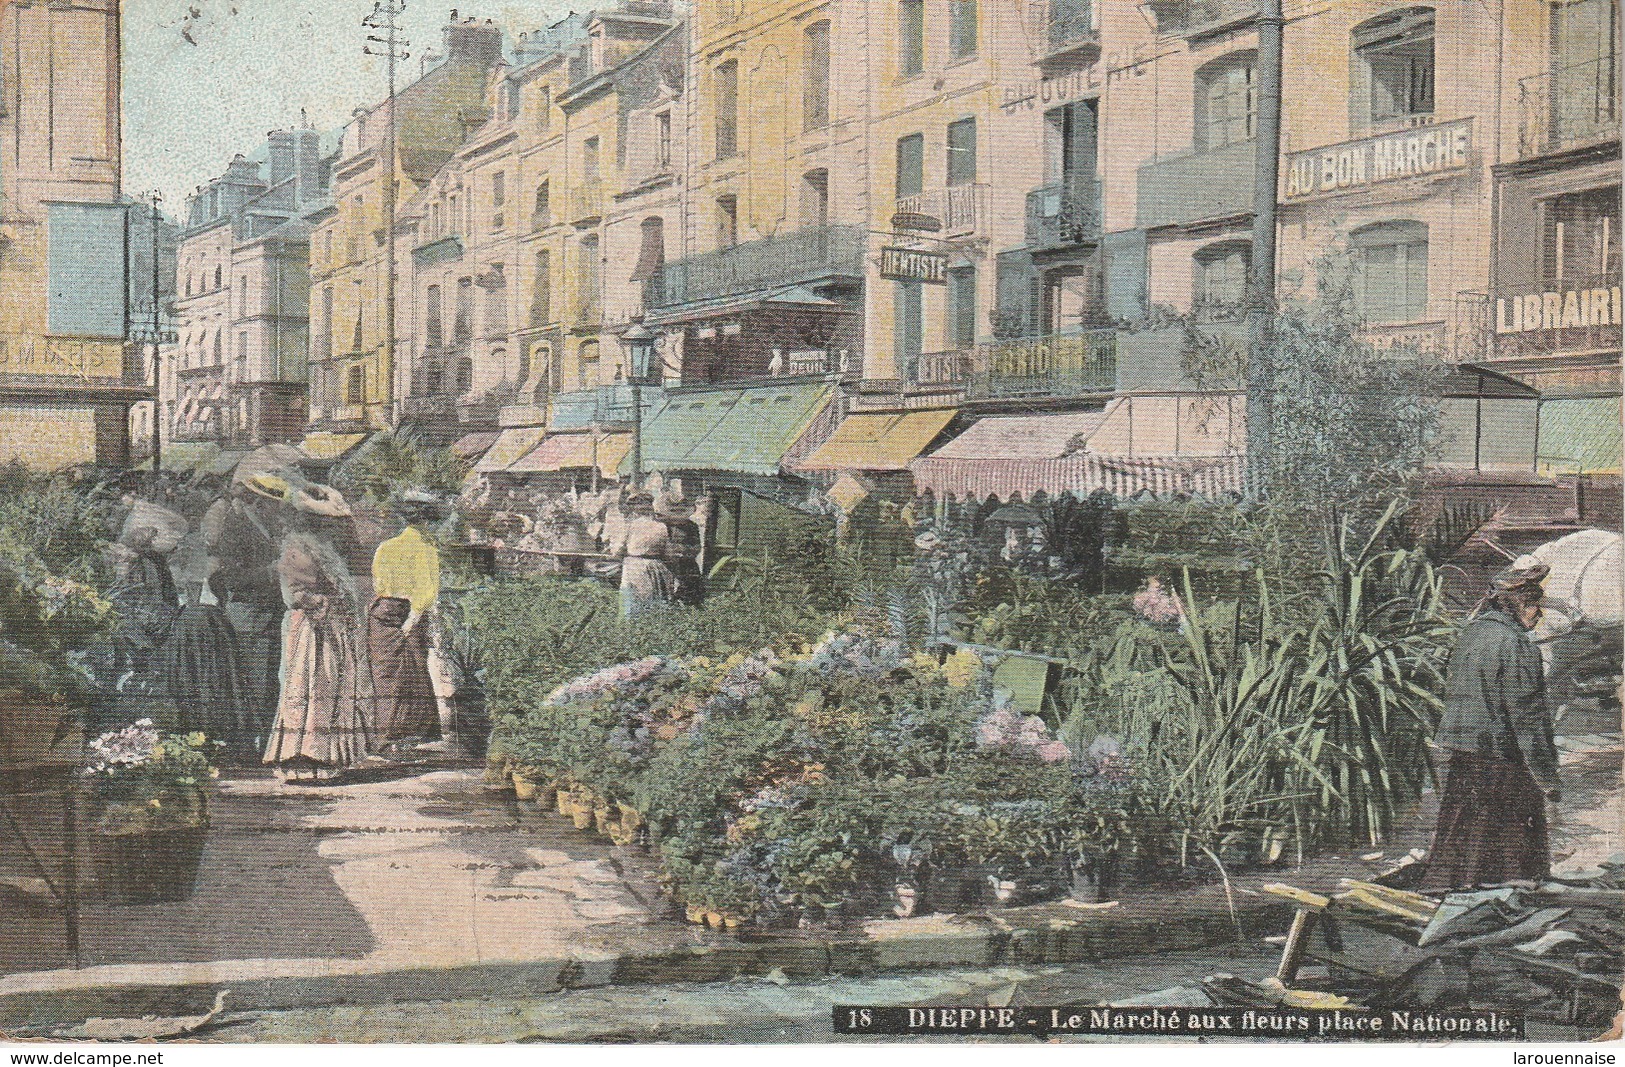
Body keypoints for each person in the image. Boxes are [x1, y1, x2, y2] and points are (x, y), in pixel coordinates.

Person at [1421, 557, 1561, 891]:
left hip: (1466, 753)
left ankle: (1453, 890)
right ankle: (1511, 897)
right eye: (1537, 608)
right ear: (1523, 605)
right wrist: (1546, 775)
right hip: (1502, 758)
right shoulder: (1516, 644)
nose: (1539, 617)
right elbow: (1527, 715)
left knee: (1463, 831)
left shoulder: (1472, 633)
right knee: (1512, 843)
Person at [263, 478, 376, 782]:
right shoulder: (297, 547)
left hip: (332, 626)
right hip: (311, 628)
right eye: (328, 521)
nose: (337, 528)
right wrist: (328, 604)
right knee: (311, 688)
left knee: (331, 687)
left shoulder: (322, 547)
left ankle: (326, 756)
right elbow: (295, 594)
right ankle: (302, 756)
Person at [201, 477, 288, 746]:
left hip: (265, 615)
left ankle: (260, 742)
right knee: (248, 682)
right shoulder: (236, 528)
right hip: (247, 617)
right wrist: (271, 573)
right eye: (274, 504)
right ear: (259, 501)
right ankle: (244, 744)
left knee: (266, 680)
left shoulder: (265, 526)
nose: (278, 510)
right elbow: (228, 578)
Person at [368, 490, 444, 750]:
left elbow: (378, 584)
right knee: (410, 677)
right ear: (427, 521)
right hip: (408, 613)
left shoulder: (386, 547)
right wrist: (411, 623)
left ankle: (381, 737)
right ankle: (398, 738)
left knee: (383, 675)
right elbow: (427, 593)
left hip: (382, 612)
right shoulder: (426, 547)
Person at [165, 571, 252, 761]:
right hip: (203, 625)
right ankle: (210, 742)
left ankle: (202, 741)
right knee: (210, 679)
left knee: (203, 678)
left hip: (199, 625)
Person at [610, 492, 675, 618]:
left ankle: (628, 626)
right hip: (656, 566)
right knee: (652, 601)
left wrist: (613, 555)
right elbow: (668, 553)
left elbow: (619, 549)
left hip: (635, 565)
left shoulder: (630, 525)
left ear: (634, 508)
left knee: (631, 599)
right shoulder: (661, 526)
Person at [657, 495, 705, 608]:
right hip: (667, 564)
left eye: (680, 511)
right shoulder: (662, 525)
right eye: (674, 511)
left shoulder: (691, 526)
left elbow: (697, 546)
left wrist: (685, 553)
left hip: (686, 563)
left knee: (690, 589)